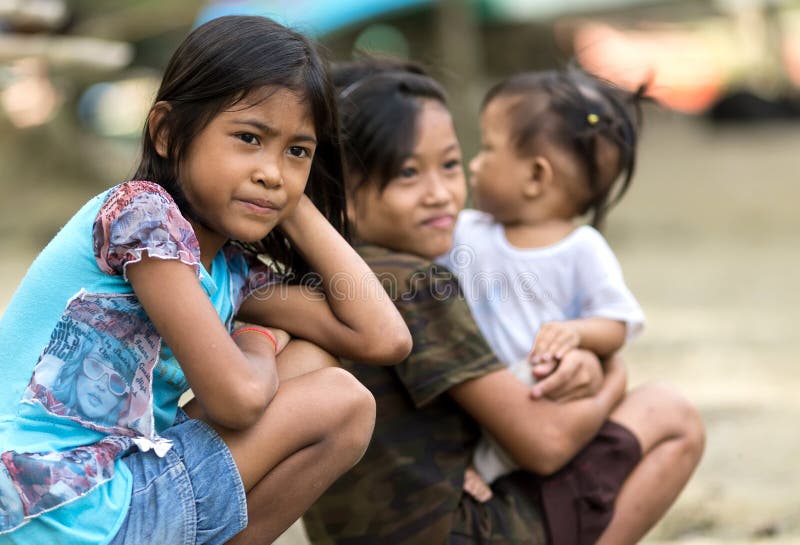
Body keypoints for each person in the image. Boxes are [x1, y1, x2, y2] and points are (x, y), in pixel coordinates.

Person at [0, 16, 411, 545]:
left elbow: (385, 337)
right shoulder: (141, 215)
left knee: (313, 362)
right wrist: (255, 342)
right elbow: (237, 399)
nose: (272, 171)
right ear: (168, 133)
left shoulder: (230, 270)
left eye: (297, 151)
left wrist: (293, 204)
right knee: (343, 402)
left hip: (105, 498)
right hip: (55, 508)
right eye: (248, 138)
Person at [303, 60, 704, 545]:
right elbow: (545, 445)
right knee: (670, 413)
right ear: (341, 187)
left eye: (450, 164)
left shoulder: (319, 275)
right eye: (408, 173)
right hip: (462, 530)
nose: (441, 194)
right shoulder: (413, 282)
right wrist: (613, 377)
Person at [438, 68, 648, 493]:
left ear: (536, 176)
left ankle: (491, 467)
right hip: (479, 396)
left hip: (542, 399)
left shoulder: (581, 248)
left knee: (548, 370)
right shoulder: (468, 230)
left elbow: (617, 323)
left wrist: (575, 333)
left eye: (488, 148)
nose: (473, 165)